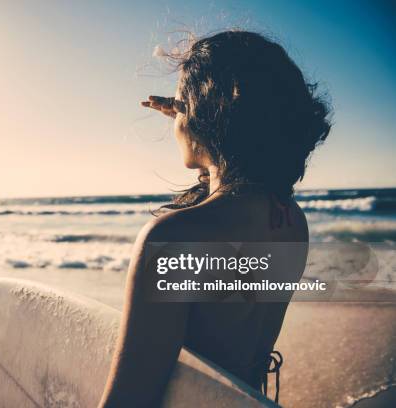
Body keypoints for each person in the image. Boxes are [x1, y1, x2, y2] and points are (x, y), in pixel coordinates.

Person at [98, 30, 331, 407]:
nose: (175, 121)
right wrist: (191, 116)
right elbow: (242, 167)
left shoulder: (173, 238)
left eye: (181, 108)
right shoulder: (289, 221)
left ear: (205, 117)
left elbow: (129, 400)